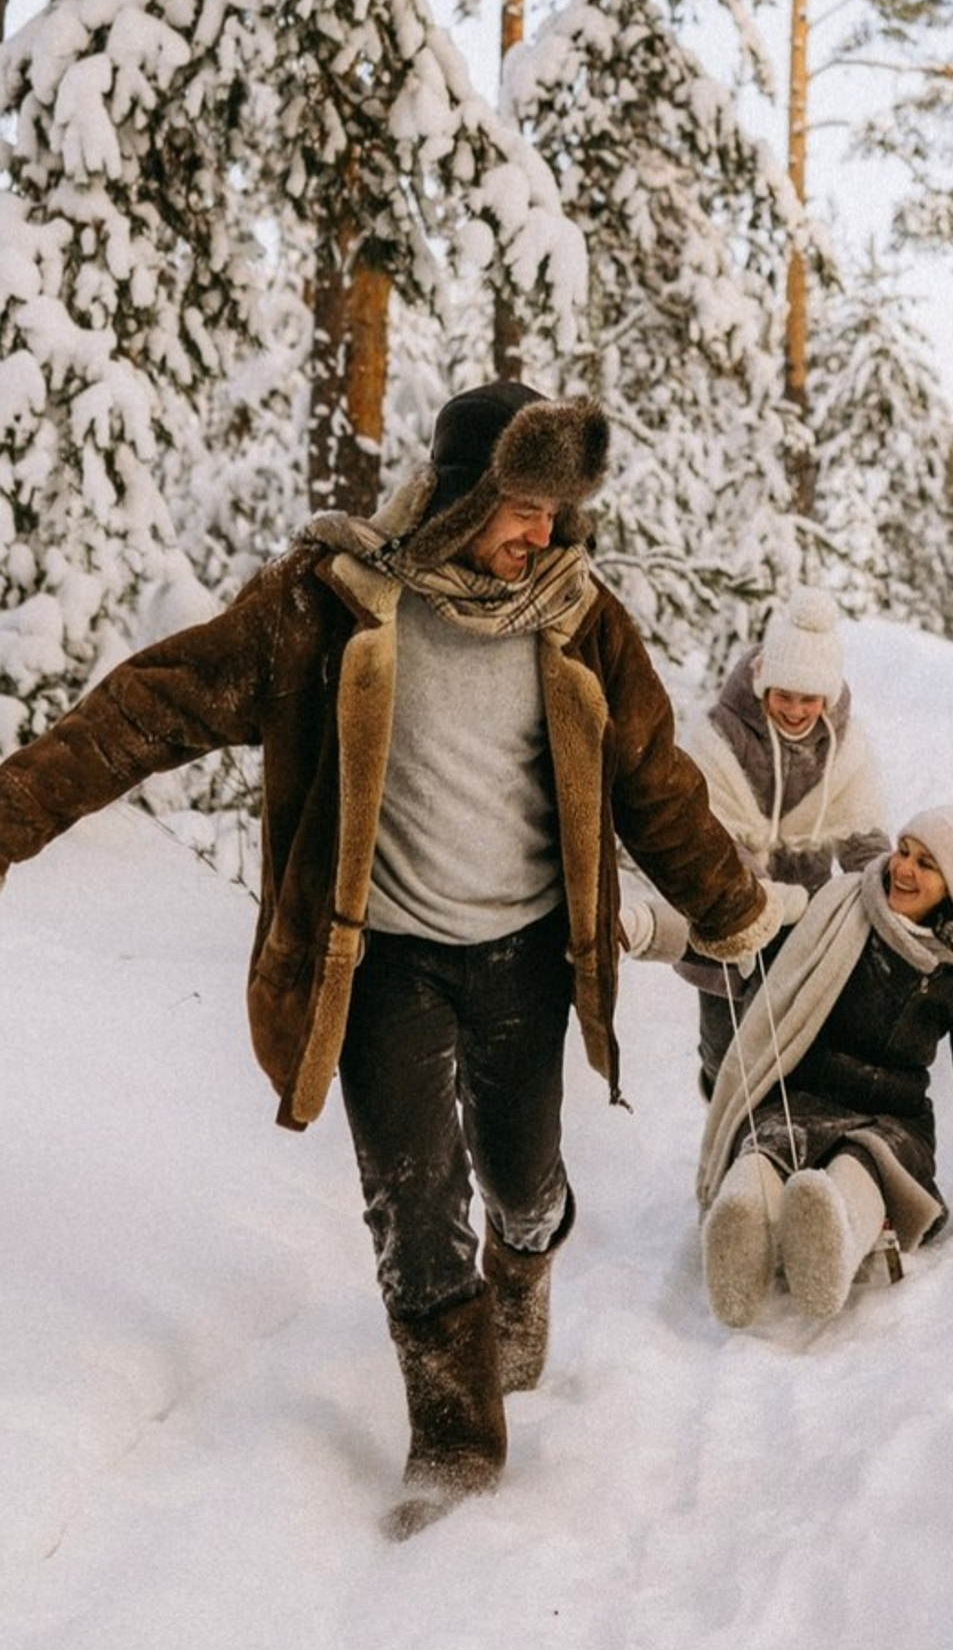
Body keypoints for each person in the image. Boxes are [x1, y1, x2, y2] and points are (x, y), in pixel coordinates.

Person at [0, 381, 793, 1537]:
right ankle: (457, 1444)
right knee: (413, 1207)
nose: (544, 533)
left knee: (520, 1182)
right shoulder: (333, 609)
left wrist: (725, 907)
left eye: (559, 512)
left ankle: (525, 1267)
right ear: (462, 493)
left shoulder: (582, 619)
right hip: (381, 962)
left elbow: (652, 779)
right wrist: (13, 815)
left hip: (524, 951)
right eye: (523, 508)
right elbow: (152, 707)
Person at [695, 805, 953, 1328]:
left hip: (890, 1120)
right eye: (904, 851)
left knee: (864, 1166)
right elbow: (754, 915)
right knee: (769, 1147)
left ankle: (832, 1236)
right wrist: (649, 928)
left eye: (927, 865)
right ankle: (740, 1224)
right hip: (802, 1096)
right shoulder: (842, 906)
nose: (904, 869)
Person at [636, 585, 888, 1096]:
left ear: (828, 696)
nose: (795, 710)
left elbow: (861, 838)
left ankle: (783, 1144)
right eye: (784, 695)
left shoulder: (842, 747)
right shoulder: (723, 738)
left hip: (805, 926)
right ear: (762, 684)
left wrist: (884, 896)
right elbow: (705, 831)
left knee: (795, 1039)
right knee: (725, 1044)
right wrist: (753, 897)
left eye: (809, 698)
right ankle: (726, 1121)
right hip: (727, 920)